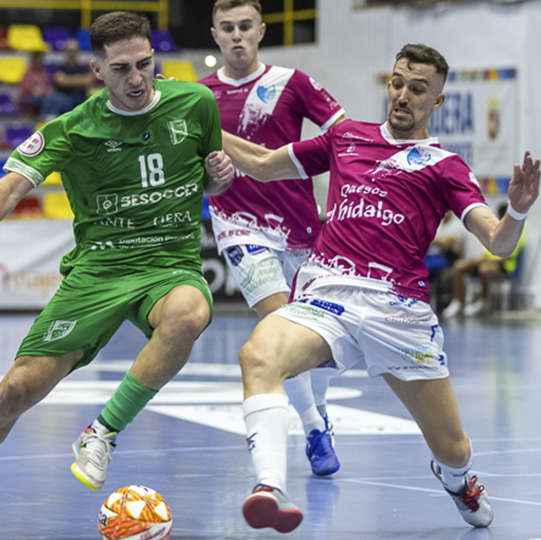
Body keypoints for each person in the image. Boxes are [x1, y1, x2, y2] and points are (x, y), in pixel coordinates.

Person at [0, 11, 233, 540]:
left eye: (145, 64)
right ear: (96, 70)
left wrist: (218, 179)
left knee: (190, 313)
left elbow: (208, 178)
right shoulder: (73, 127)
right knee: (17, 391)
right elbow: (13, 185)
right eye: (122, 68)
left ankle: (102, 431)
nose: (137, 78)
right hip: (98, 272)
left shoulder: (196, 104)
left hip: (167, 265)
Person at [214, 43, 541, 532]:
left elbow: (496, 242)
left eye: (418, 89)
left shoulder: (444, 164)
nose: (403, 95)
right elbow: (261, 163)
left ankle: (459, 479)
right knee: (257, 356)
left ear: (438, 102)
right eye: (398, 83)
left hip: (398, 311)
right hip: (328, 296)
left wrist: (516, 209)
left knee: (453, 448)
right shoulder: (344, 138)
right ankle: (270, 486)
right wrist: (201, 123)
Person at [199, 0, 347, 477]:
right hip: (238, 225)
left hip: (303, 226)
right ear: (215, 34)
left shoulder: (292, 82)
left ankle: (318, 413)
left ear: (261, 30)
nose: (237, 35)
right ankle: (313, 429)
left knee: (313, 338)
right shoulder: (198, 98)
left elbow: (343, 137)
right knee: (281, 323)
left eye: (245, 26)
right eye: (227, 28)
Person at [441, 202, 524, 317]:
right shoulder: (496, 229)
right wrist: (477, 260)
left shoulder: (517, 232)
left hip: (503, 265)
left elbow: (507, 256)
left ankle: (483, 301)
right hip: (485, 261)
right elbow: (487, 252)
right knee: (459, 266)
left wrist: (486, 261)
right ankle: (457, 302)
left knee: (485, 269)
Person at [425, 211, 466, 312]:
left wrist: (435, 241)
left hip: (446, 259)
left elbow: (449, 243)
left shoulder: (456, 226)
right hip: (430, 257)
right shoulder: (437, 224)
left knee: (425, 269)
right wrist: (439, 241)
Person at [52, 38, 98, 114]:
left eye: (74, 51)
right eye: (70, 51)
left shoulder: (83, 67)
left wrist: (68, 80)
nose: (72, 54)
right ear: (65, 52)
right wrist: (79, 80)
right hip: (64, 101)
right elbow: (61, 81)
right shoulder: (59, 67)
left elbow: (89, 80)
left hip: (81, 99)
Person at [18, 50, 68, 119]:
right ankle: (46, 121)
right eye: (36, 59)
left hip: (44, 94)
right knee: (47, 99)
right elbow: (26, 88)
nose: (38, 61)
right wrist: (35, 90)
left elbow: (49, 85)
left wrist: (46, 90)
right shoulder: (28, 73)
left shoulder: (44, 72)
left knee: (61, 98)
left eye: (40, 59)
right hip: (30, 98)